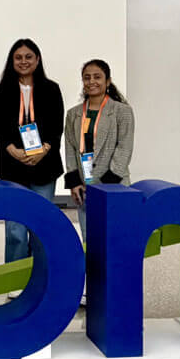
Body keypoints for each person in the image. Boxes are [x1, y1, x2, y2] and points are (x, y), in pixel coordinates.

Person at [0, 39, 64, 267]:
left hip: (44, 166)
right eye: (18, 57)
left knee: (41, 228)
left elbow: (56, 126)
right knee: (15, 231)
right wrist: (12, 150)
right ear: (12, 61)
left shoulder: (51, 89)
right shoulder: (2, 90)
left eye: (28, 57)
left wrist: (44, 150)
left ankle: (41, 279)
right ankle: (13, 283)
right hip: (13, 167)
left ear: (38, 59)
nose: (24, 61)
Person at [63, 59, 134, 245]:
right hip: (84, 190)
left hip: (114, 186)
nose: (91, 81)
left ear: (108, 81)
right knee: (91, 242)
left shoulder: (122, 111)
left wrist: (103, 186)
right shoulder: (73, 114)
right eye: (87, 78)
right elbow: (70, 148)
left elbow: (124, 149)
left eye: (97, 77)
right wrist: (74, 182)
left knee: (116, 241)